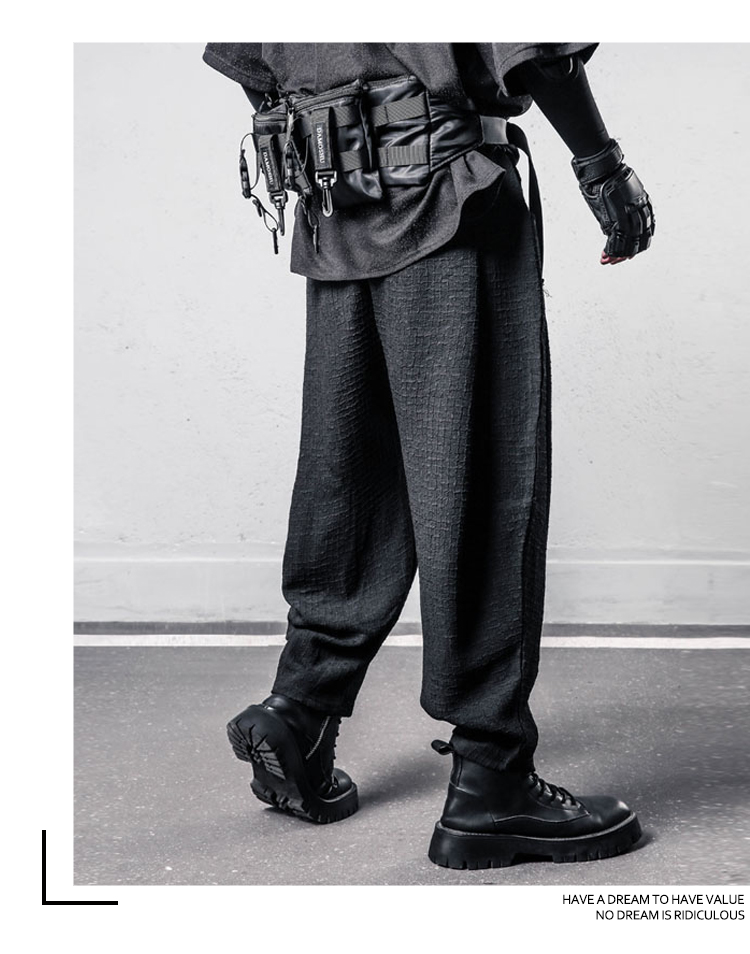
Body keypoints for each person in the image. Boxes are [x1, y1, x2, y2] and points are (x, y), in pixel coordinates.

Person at [203, 42, 654, 870]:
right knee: (478, 480)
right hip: (450, 197)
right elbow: (536, 51)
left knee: (352, 475)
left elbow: (253, 64)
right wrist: (601, 163)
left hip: (337, 201)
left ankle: (300, 710)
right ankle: (492, 776)